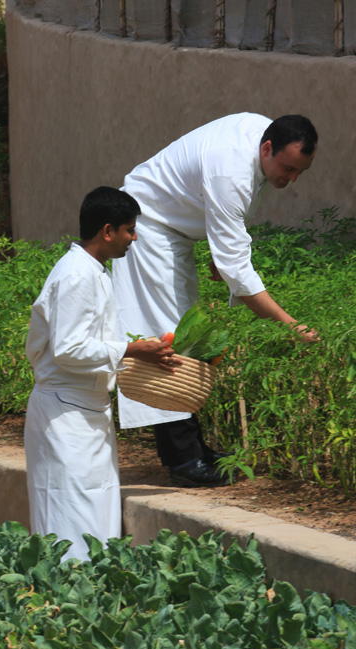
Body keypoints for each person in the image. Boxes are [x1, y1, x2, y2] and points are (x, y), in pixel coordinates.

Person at [112, 113, 318, 488]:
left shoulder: (261, 137)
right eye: (287, 169)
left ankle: (194, 449)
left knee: (184, 339)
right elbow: (239, 271)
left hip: (171, 230)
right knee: (167, 343)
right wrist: (290, 326)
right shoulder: (232, 170)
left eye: (299, 172)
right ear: (267, 148)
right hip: (148, 227)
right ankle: (184, 460)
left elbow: (230, 219)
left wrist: (220, 249)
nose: (290, 180)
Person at [24, 186, 179, 561]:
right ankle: (64, 606)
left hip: (85, 411)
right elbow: (69, 349)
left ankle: (86, 604)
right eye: (129, 229)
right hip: (65, 414)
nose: (134, 237)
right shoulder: (77, 275)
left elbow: (91, 343)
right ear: (107, 231)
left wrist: (143, 352)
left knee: (93, 513)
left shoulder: (93, 271)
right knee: (69, 517)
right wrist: (131, 349)